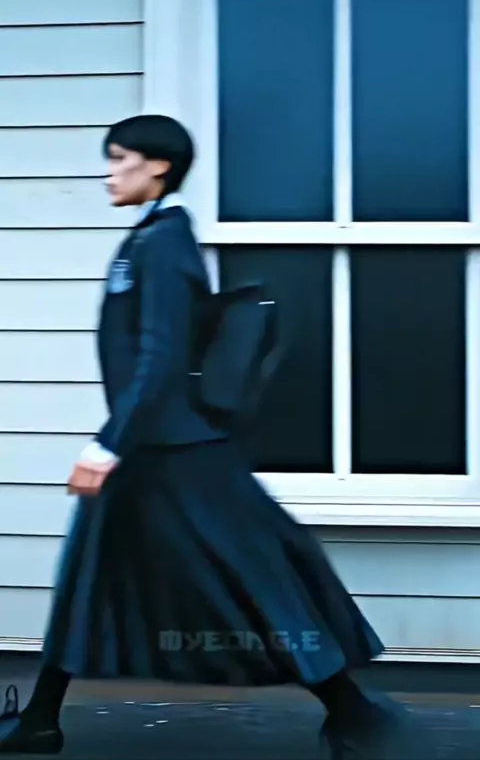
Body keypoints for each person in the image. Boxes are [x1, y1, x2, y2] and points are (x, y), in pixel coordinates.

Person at [0, 115, 420, 758]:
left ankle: (352, 711)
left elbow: (161, 357)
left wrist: (106, 445)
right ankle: (40, 719)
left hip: (177, 455)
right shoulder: (148, 238)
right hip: (148, 448)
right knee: (88, 578)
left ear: (158, 166)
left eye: (120, 158)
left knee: (248, 577)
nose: (109, 172)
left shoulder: (165, 242)